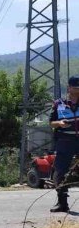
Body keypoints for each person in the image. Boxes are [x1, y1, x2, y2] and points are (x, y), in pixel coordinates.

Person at [49, 75, 79, 213]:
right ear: (69, 88)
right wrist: (59, 123)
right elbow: (51, 123)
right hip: (65, 141)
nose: (78, 89)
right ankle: (62, 203)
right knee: (59, 171)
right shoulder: (59, 103)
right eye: (75, 87)